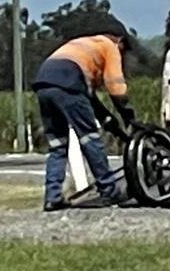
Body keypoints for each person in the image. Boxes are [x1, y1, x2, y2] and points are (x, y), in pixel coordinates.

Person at [31, 28, 137, 212]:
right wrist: (129, 117)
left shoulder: (83, 45)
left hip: (44, 83)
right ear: (119, 42)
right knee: (90, 139)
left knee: (57, 145)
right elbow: (115, 86)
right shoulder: (109, 46)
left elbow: (88, 97)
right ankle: (109, 191)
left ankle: (52, 197)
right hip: (67, 82)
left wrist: (107, 118)